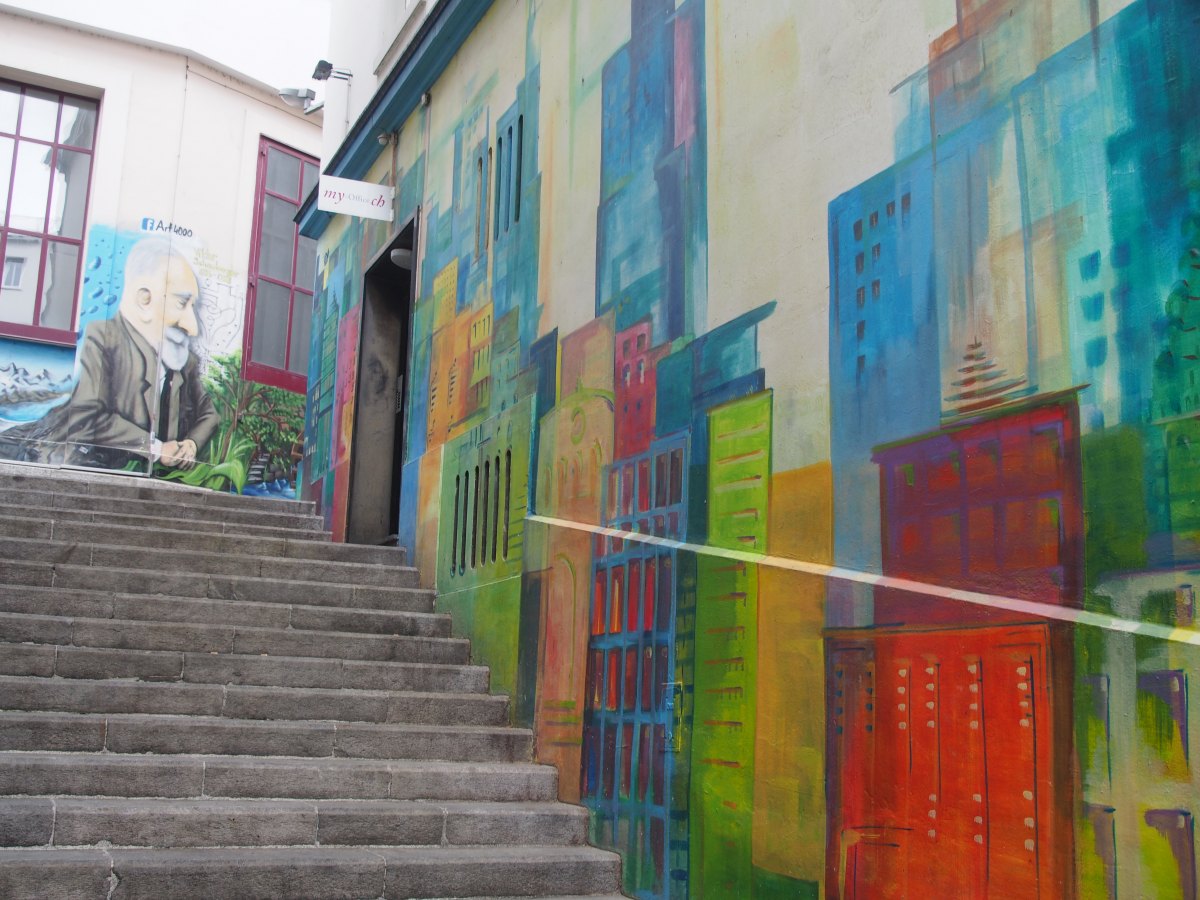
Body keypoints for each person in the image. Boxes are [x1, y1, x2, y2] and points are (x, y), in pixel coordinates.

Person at [1, 238, 219, 470]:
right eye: (181, 303)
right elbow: (90, 413)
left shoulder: (184, 361)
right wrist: (155, 448)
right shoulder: (104, 339)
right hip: (45, 451)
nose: (192, 327)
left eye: (192, 306)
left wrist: (191, 444)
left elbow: (210, 413)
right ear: (145, 300)